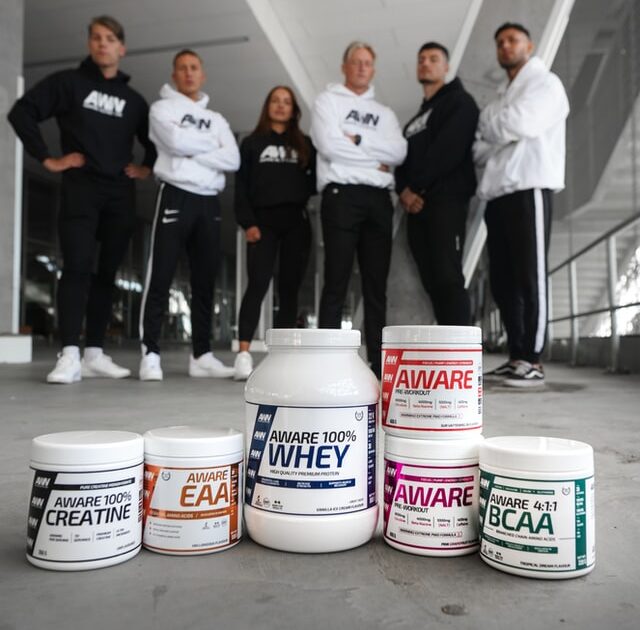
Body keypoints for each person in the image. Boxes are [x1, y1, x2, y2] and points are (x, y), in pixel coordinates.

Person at [8, 16, 156, 384]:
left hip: (120, 193)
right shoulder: (69, 83)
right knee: (76, 266)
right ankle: (70, 354)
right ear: (90, 44)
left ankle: (94, 353)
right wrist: (48, 159)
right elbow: (21, 112)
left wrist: (147, 168)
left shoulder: (134, 101)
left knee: (108, 273)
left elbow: (156, 140)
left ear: (121, 48)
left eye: (110, 39)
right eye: (96, 38)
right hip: (81, 188)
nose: (102, 44)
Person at [473, 23, 569, 387]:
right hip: (498, 196)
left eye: (512, 40)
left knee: (530, 276)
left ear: (529, 45)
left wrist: (496, 130)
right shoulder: (500, 97)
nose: (505, 46)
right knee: (503, 282)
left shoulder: (546, 84)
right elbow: (478, 148)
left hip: (530, 188)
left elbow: (522, 123)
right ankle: (516, 356)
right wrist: (502, 131)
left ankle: (533, 359)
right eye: (500, 42)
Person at [138, 49, 240, 381]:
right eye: (182, 68)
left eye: (194, 67)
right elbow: (174, 142)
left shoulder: (217, 119)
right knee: (161, 274)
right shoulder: (162, 109)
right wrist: (210, 146)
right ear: (174, 75)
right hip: (175, 194)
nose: (188, 73)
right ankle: (150, 353)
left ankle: (202, 355)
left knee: (205, 280)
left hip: (208, 201)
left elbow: (233, 159)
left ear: (202, 74)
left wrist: (190, 149)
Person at [311, 41, 407, 378]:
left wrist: (359, 141)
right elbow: (329, 145)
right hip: (341, 196)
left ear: (373, 69)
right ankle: (326, 364)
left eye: (368, 62)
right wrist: (375, 160)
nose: (362, 67)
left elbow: (398, 153)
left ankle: (379, 365)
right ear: (344, 66)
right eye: (356, 61)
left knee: (375, 286)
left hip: (379, 201)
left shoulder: (385, 113)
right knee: (336, 280)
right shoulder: (327, 101)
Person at [234, 86, 316, 380]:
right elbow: (241, 186)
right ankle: (243, 354)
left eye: (286, 102)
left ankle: (281, 358)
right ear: (267, 106)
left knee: (289, 289)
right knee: (258, 284)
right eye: (275, 101)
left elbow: (317, 180)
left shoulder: (305, 144)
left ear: (293, 110)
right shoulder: (252, 143)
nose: (281, 106)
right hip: (262, 223)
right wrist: (248, 223)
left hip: (296, 222)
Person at [396, 42, 479, 325]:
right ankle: (446, 347)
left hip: (447, 203)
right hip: (416, 208)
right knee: (431, 282)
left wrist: (415, 187)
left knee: (448, 277)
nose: (426, 64)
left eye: (433, 59)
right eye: (421, 59)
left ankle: (464, 352)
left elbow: (448, 151)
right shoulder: (415, 120)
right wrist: (403, 191)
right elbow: (401, 161)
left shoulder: (460, 102)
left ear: (446, 67)